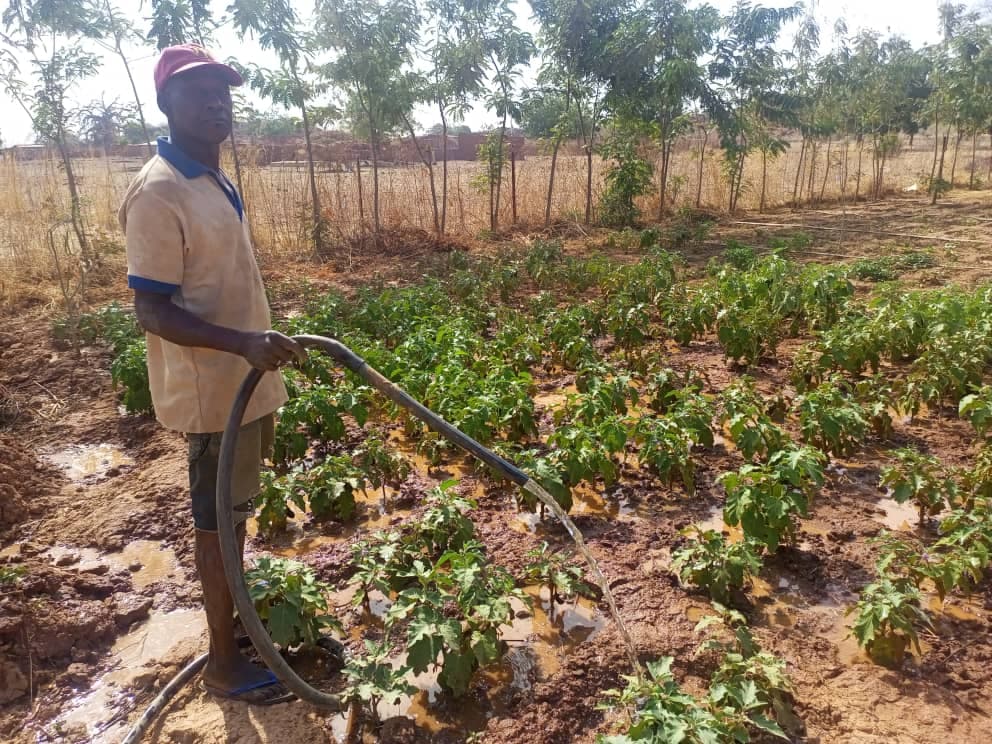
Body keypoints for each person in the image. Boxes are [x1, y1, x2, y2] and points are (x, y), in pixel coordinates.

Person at [119, 44, 305, 705]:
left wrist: (253, 347)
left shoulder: (214, 179)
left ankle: (242, 631)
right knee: (214, 526)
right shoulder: (159, 190)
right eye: (198, 91)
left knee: (237, 517)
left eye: (223, 90)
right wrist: (241, 342)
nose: (215, 102)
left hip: (245, 386)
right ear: (166, 102)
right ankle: (225, 664)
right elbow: (151, 308)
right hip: (210, 397)